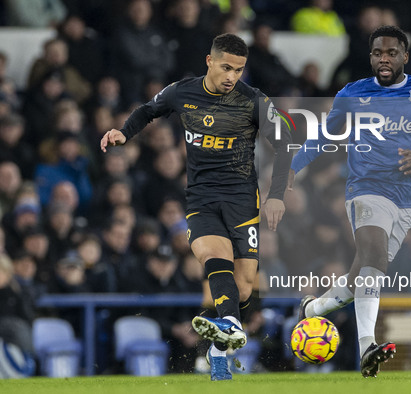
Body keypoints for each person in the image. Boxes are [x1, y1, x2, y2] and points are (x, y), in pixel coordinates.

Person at [100, 33, 291, 381]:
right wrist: (125, 133)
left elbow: (284, 144)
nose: (232, 76)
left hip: (242, 200)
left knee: (245, 286)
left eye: (239, 69)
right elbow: (148, 110)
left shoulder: (253, 101)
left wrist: (277, 194)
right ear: (209, 61)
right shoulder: (182, 91)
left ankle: (220, 345)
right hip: (200, 198)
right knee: (212, 259)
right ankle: (229, 327)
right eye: (226, 67)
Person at [290, 25, 411, 377]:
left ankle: (314, 309)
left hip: (405, 199)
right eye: (378, 53)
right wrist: (291, 169)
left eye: (391, 53)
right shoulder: (352, 93)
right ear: (370, 57)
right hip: (365, 188)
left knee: (362, 274)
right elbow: (322, 136)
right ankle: (368, 346)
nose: (384, 59)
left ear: (404, 56)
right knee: (374, 256)